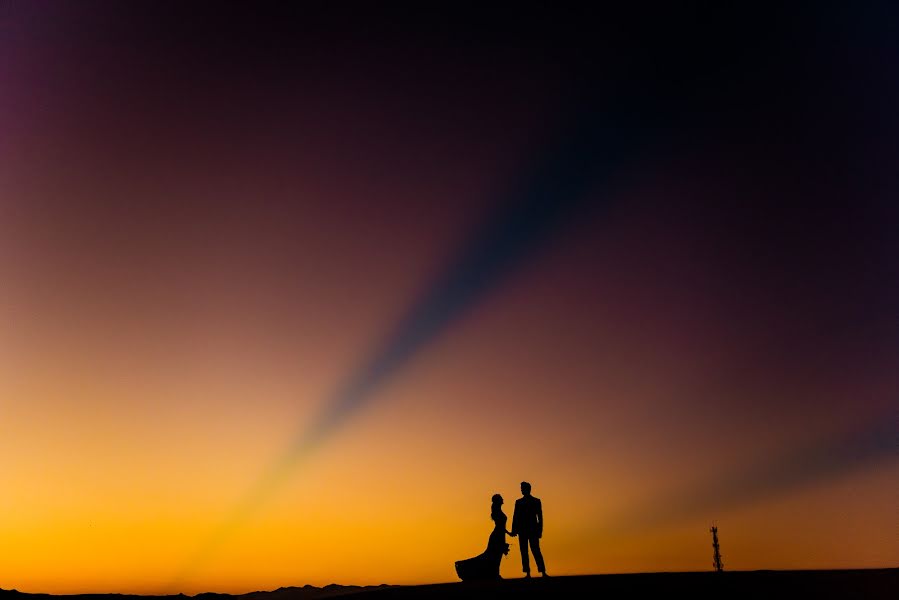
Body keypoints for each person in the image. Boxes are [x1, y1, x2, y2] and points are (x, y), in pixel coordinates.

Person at [454, 494, 512, 581]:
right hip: (497, 536)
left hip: (499, 535)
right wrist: (509, 533)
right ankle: (494, 574)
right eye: (501, 499)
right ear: (499, 501)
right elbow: (500, 526)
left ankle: (495, 574)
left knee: (495, 555)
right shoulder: (498, 512)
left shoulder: (498, 511)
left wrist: (508, 533)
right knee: (493, 556)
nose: (503, 500)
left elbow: (501, 526)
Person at [511, 481, 547, 577]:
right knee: (524, 551)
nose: (522, 490)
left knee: (535, 550)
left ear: (528, 489)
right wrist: (514, 530)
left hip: (533, 530)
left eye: (523, 488)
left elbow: (540, 517)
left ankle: (542, 571)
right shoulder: (518, 502)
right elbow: (515, 517)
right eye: (521, 489)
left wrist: (540, 531)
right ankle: (527, 572)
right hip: (522, 530)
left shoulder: (536, 501)